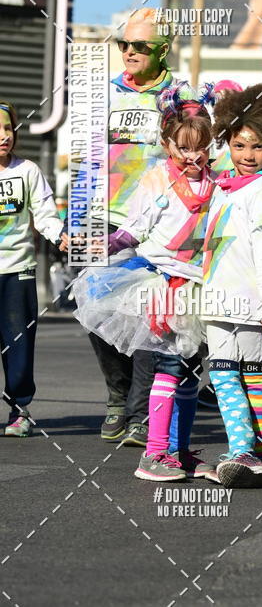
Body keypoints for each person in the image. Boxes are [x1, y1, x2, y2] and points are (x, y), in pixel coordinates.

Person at [74, 82, 219, 481]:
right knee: (168, 369)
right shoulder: (158, 179)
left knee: (190, 373)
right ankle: (154, 453)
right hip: (161, 285)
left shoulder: (216, 182)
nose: (193, 155)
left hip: (200, 288)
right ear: (168, 144)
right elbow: (132, 231)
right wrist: (101, 248)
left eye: (200, 146)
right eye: (184, 147)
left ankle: (180, 450)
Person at [87, 8, 184, 447]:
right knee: (93, 305)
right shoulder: (103, 94)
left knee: (151, 316)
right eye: (123, 44)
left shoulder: (180, 95)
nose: (128, 51)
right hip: (105, 215)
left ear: (162, 50)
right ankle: (117, 392)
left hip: (159, 218)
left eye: (139, 46)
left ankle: (141, 413)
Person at [201, 83, 262, 488]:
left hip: (249, 302)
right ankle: (248, 453)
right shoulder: (225, 183)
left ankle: (247, 452)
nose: (247, 155)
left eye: (257, 148)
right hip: (218, 298)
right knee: (231, 376)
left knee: (247, 378)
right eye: (239, 146)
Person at [0, 102, 67, 436]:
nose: (3, 137)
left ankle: (19, 410)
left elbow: (44, 214)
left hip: (18, 269)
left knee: (18, 343)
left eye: (8, 129)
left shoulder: (27, 170)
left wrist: (60, 237)